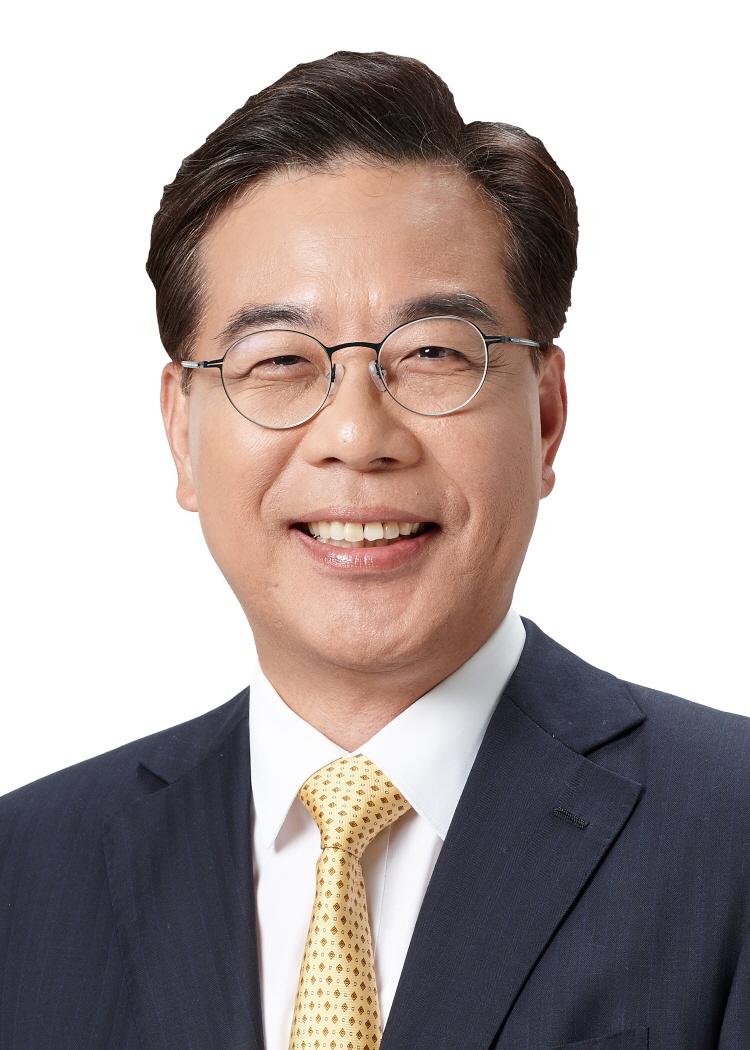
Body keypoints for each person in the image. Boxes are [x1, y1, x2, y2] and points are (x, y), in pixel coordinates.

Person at [0, 50, 747, 1050]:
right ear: (181, 433)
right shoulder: (25, 874)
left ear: (546, 418)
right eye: (278, 360)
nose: (356, 436)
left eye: (433, 352)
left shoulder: (730, 835)